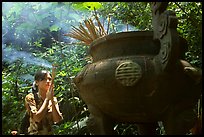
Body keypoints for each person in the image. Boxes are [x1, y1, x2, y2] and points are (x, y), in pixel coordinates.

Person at [25, 68, 63, 135]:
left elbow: (57, 119)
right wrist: (47, 99)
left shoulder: (53, 99)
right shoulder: (31, 98)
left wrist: (51, 100)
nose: (48, 81)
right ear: (37, 82)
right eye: (44, 79)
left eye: (49, 79)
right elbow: (37, 118)